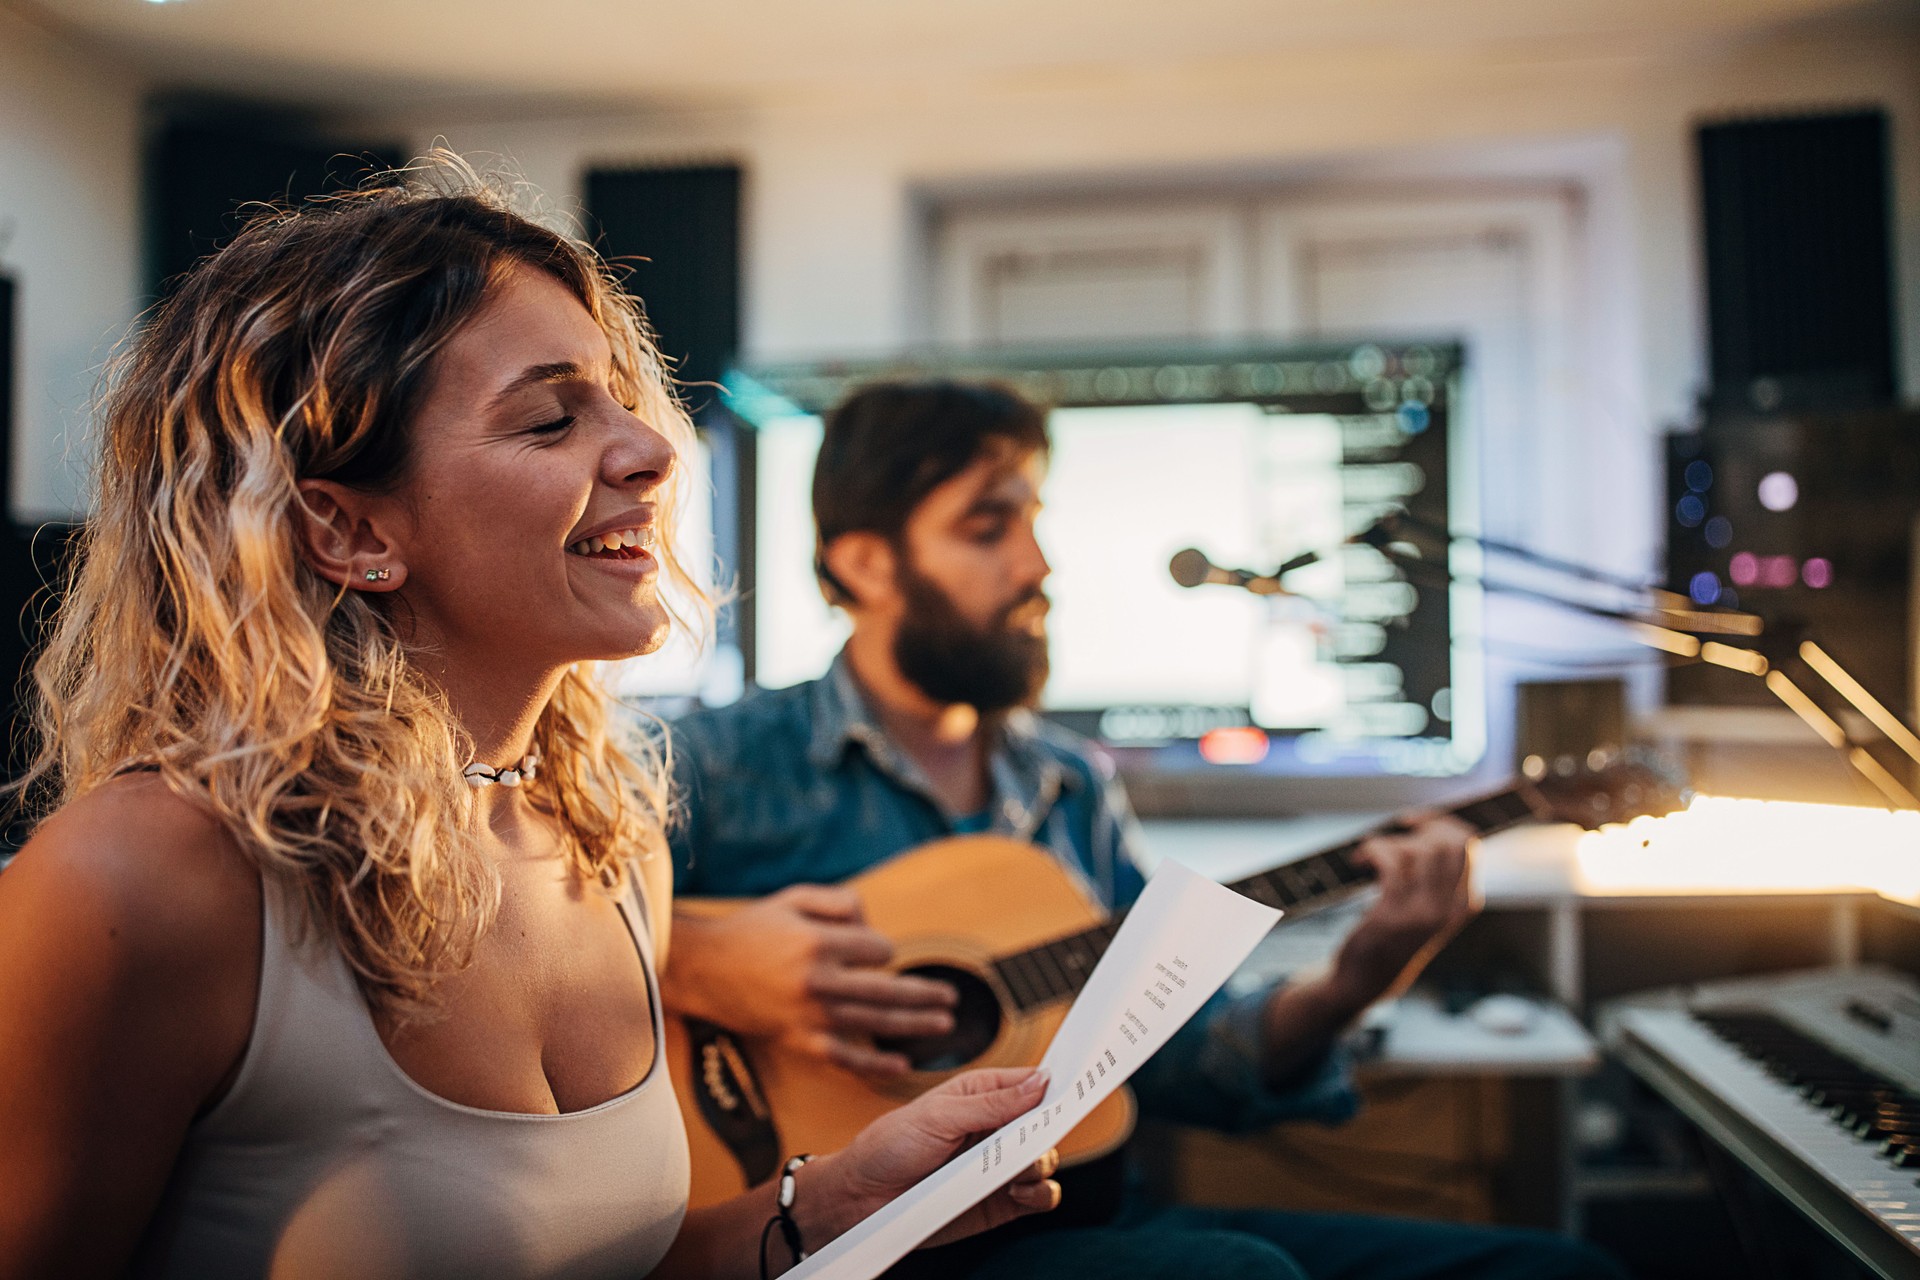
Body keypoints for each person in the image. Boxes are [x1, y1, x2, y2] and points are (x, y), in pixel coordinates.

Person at [0, 165, 1063, 1279]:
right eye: (551, 418)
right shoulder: (143, 878)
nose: (654, 451)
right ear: (347, 529)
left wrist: (825, 1203)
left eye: (619, 398)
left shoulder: (612, 843)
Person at [663, 380, 1629, 1280]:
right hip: (839, 1241)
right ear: (867, 562)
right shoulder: (710, 763)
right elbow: (520, 925)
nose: (1038, 567)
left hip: (1076, 1219)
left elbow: (1191, 1058)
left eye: (1034, 526)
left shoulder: (1069, 785)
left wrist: (1359, 976)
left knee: (1562, 1271)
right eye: (987, 528)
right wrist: (695, 958)